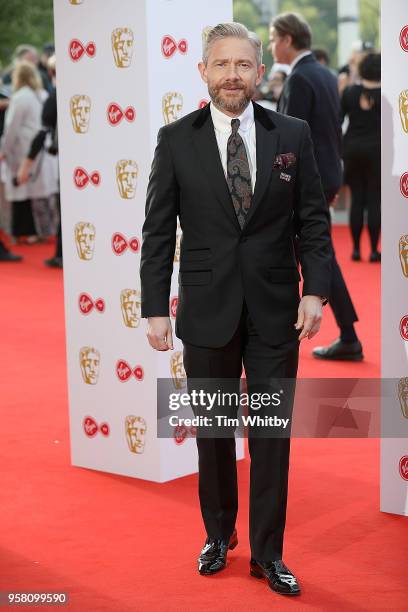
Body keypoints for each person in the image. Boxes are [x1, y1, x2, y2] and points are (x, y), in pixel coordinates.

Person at [140, 23, 332, 597]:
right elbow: (157, 231)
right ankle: (219, 536)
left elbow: (314, 223)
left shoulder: (291, 133)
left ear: (259, 72)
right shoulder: (176, 139)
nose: (232, 75)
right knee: (214, 435)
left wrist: (315, 291)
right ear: (203, 71)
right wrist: (155, 307)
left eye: (243, 65)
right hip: (206, 309)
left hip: (277, 311)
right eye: (221, 64)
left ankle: (269, 554)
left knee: (272, 436)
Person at [270, 12, 363, 362]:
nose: (270, 45)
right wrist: (333, 176)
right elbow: (332, 130)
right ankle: (347, 332)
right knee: (320, 255)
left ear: (288, 39)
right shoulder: (324, 73)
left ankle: (348, 334)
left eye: (273, 38)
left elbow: (288, 140)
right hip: (325, 175)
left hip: (305, 181)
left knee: (317, 256)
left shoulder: (300, 79)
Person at [0, 61, 58, 243]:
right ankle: (42, 231)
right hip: (41, 149)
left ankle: (25, 231)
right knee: (40, 194)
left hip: (24, 151)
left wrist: (4, 150)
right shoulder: (43, 94)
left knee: (22, 192)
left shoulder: (20, 98)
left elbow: (11, 128)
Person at [18, 55, 62, 268]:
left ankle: (62, 254)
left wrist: (26, 165)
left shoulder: (54, 97)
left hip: (65, 164)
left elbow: (42, 133)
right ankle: (62, 253)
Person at [341, 53, 381, 262]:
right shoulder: (386, 94)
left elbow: (338, 121)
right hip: (377, 151)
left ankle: (356, 249)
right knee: (374, 200)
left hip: (352, 149)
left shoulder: (349, 92)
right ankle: (374, 250)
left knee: (357, 199)